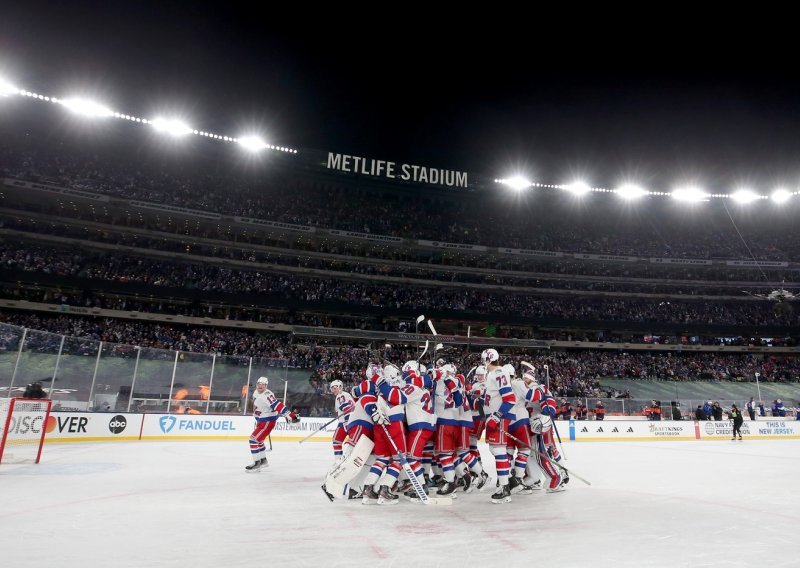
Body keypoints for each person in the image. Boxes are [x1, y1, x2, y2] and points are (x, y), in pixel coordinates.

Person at [481, 348, 516, 504]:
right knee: (494, 449)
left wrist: (497, 416)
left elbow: (510, 399)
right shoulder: (492, 374)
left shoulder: (499, 373)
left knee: (499, 450)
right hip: (494, 417)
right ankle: (508, 480)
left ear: (488, 359)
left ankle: (505, 487)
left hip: (499, 417)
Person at [245, 376, 298, 472]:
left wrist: (289, 415)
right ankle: (263, 461)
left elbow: (277, 405)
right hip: (261, 421)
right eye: (258, 384)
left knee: (253, 440)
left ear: (266, 385)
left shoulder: (267, 394)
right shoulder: (256, 392)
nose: (260, 386)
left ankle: (257, 463)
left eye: (263, 384)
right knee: (259, 441)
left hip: (267, 421)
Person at [329, 380, 355, 463]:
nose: (333, 390)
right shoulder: (346, 395)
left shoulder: (341, 395)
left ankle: (338, 461)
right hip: (352, 421)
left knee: (336, 441)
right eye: (332, 388)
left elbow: (346, 407)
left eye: (335, 387)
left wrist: (347, 422)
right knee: (354, 441)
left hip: (345, 422)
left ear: (340, 387)